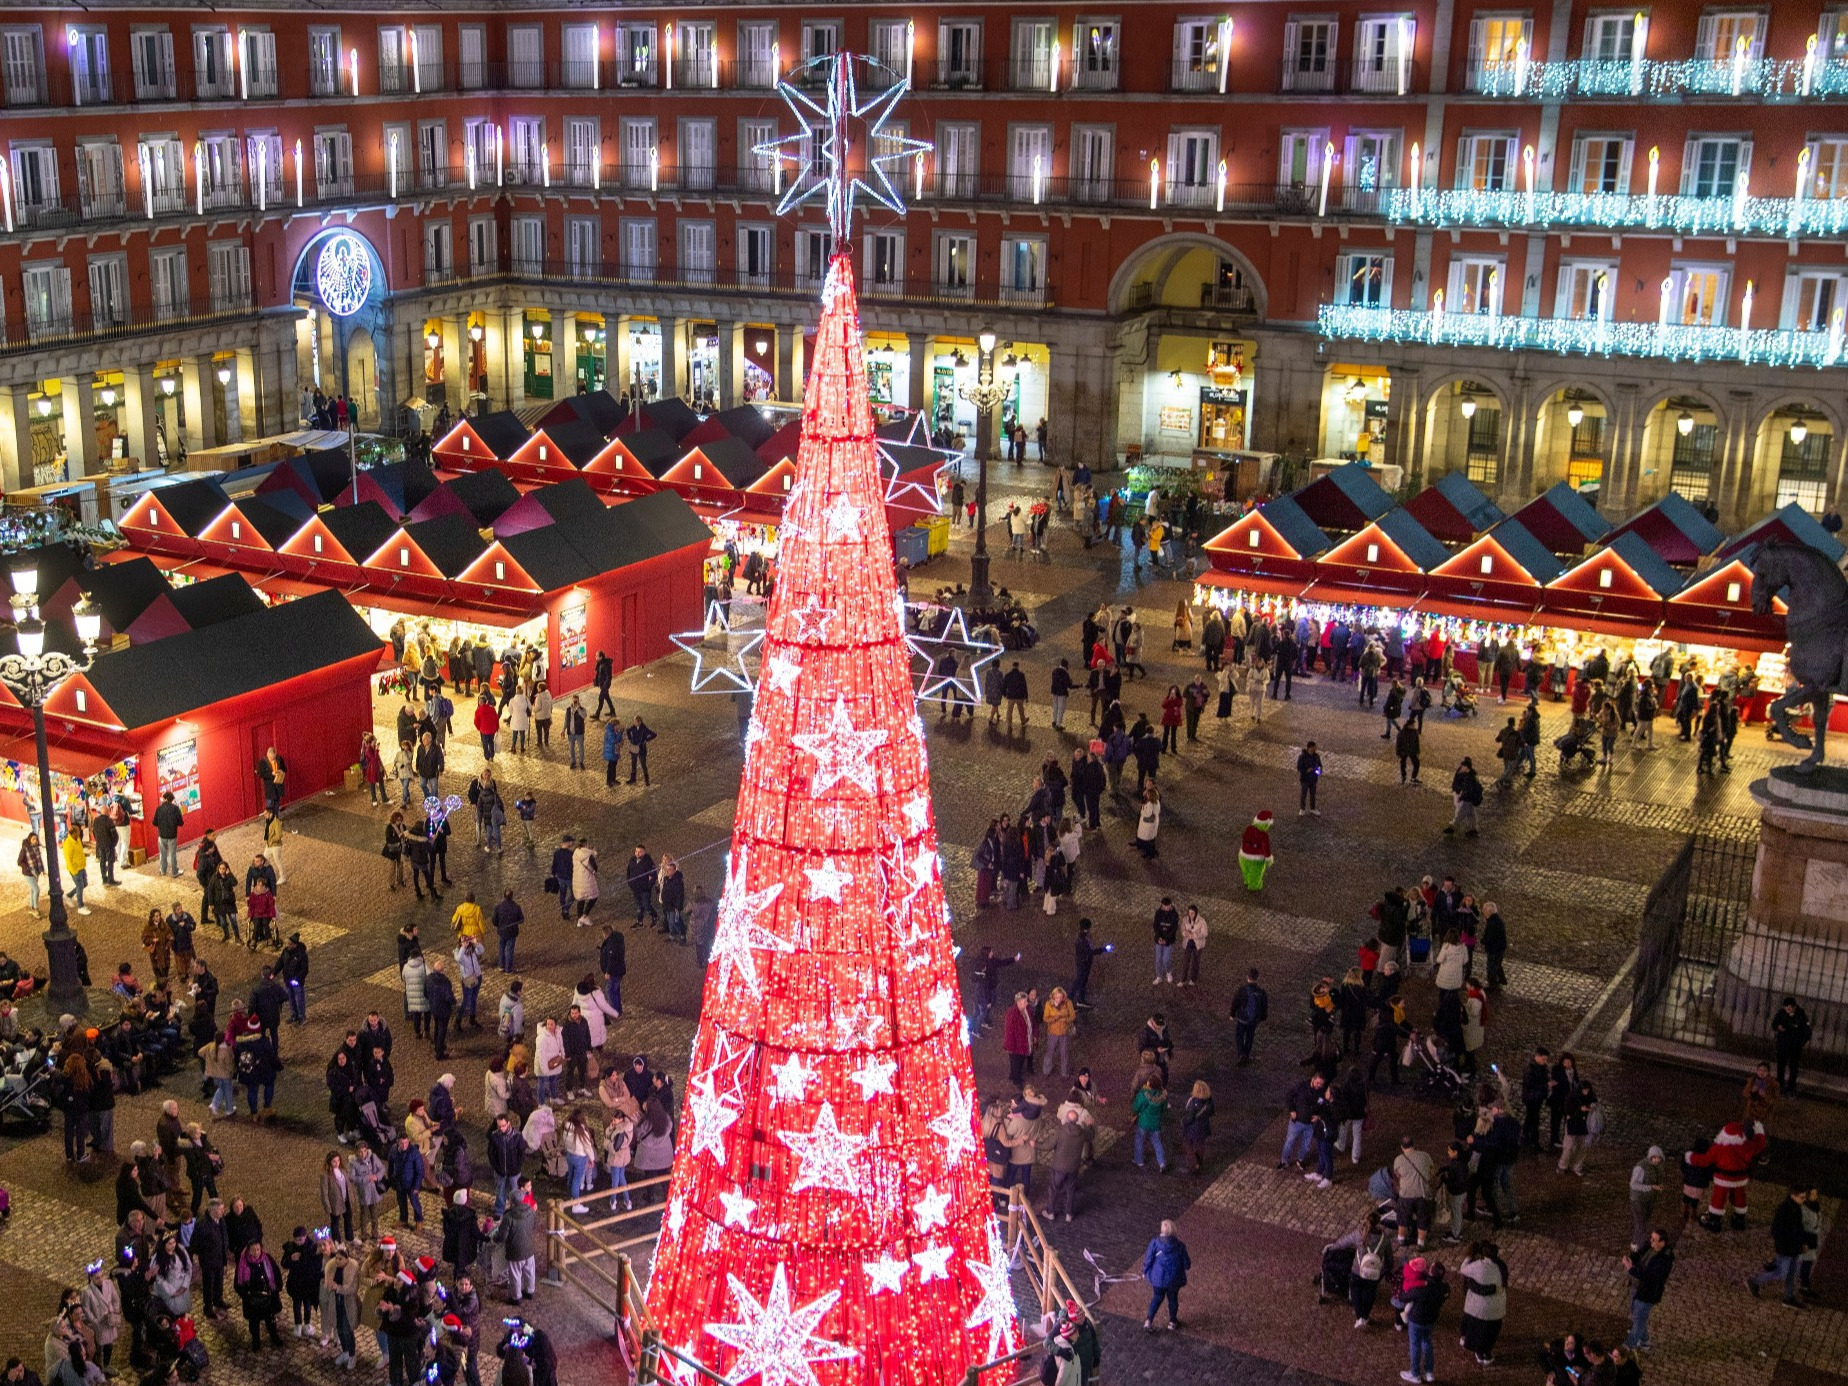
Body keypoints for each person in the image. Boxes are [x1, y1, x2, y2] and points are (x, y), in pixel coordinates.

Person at [1745, 1186, 1810, 1307]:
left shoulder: (1796, 1208)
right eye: (1802, 1197)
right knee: (1781, 1272)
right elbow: (1777, 1230)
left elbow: (1798, 1227)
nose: (1804, 1200)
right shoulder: (1784, 1209)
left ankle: (1789, 1297)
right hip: (1786, 1248)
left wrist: (1803, 1242)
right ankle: (1755, 1282)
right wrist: (1785, 1245)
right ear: (1793, 1196)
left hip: (1794, 1247)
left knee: (1791, 1273)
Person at [1400, 1260, 1449, 1383]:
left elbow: (1404, 1297)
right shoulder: (1444, 1288)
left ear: (1431, 1272)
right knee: (1427, 1343)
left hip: (1416, 1320)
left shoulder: (1421, 1288)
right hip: (1431, 1320)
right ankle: (1429, 1372)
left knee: (1415, 1345)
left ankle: (1415, 1374)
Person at [1458, 1242, 1507, 1366]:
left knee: (1478, 1331)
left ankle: (1479, 1352)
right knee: (1491, 1332)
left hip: (1480, 1308)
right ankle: (1487, 1353)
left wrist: (1469, 1256)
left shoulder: (1478, 1266)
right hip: (1497, 1307)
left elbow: (1463, 1269)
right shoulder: (1501, 1266)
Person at [1624, 1229, 1673, 1351]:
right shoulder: (1649, 1246)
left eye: (1654, 1240)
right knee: (1636, 1315)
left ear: (1662, 1243)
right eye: (1651, 1238)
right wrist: (1631, 1258)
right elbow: (1639, 1255)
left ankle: (1629, 1345)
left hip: (1648, 1293)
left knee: (1639, 1319)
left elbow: (1649, 1277)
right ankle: (1644, 1340)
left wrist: (1631, 1269)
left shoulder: (1664, 1261)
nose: (1651, 1241)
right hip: (1638, 1287)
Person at [1140, 1219, 1190, 1332]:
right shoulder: (1180, 1246)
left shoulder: (1154, 1243)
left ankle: (1148, 1321)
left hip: (1158, 1278)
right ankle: (1172, 1322)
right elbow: (1187, 1264)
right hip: (1174, 1279)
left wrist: (1145, 1272)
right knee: (1173, 1299)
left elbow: (1148, 1260)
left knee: (1157, 1298)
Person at [1772, 996, 1812, 1096]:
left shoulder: (1801, 1015)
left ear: (1794, 1007)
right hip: (1782, 1043)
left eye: (1789, 1008)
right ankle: (1779, 1085)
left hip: (1795, 1046)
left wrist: (1800, 1043)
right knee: (1781, 1066)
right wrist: (1778, 1027)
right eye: (1786, 1008)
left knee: (1793, 1067)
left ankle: (1791, 1087)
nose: (1787, 1010)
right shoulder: (1781, 1012)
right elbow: (1774, 1024)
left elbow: (1807, 1032)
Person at [1630, 1146, 1665, 1251]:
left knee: (1644, 1221)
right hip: (1638, 1200)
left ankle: (1639, 1240)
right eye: (1656, 1158)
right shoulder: (1641, 1167)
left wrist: (1659, 1185)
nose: (1657, 1161)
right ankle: (1636, 1244)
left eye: (1659, 1159)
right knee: (1640, 1222)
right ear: (1651, 1157)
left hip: (1649, 1199)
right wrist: (1651, 1187)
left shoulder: (1657, 1166)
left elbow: (1657, 1178)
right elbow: (1633, 1185)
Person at [1230, 968, 1268, 1064]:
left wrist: (1232, 1014)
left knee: (1239, 1035)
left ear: (1247, 977)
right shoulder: (1261, 992)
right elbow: (1264, 1006)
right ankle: (1246, 1053)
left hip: (1242, 1018)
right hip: (1253, 1020)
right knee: (1250, 1036)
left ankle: (1241, 1053)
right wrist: (1263, 1017)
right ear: (1257, 978)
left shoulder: (1242, 990)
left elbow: (1235, 1002)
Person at [1445, 758, 1483, 836]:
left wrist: (1461, 797)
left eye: (1463, 766)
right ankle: (1472, 829)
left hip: (1468, 799)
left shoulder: (1469, 777)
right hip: (1472, 798)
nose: (1461, 768)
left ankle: (1452, 828)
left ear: (1466, 767)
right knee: (1471, 814)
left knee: (1460, 815)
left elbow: (1468, 790)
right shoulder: (1473, 774)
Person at [1238, 811, 1274, 891]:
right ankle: (1254, 886)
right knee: (1256, 873)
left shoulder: (1249, 828)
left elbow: (1244, 839)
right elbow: (1266, 848)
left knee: (1246, 870)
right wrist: (1268, 859)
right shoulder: (1263, 835)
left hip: (1243, 855)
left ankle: (1247, 880)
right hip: (1256, 858)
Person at [1297, 742, 1323, 816]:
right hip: (1305, 779)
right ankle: (1302, 809)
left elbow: (1320, 765)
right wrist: (1306, 770)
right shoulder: (1302, 757)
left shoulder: (1316, 756)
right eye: (1314, 747)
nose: (1315, 749)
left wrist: (1318, 771)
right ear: (1310, 748)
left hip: (1313, 779)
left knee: (1313, 794)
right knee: (1304, 794)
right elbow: (1299, 767)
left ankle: (1312, 808)